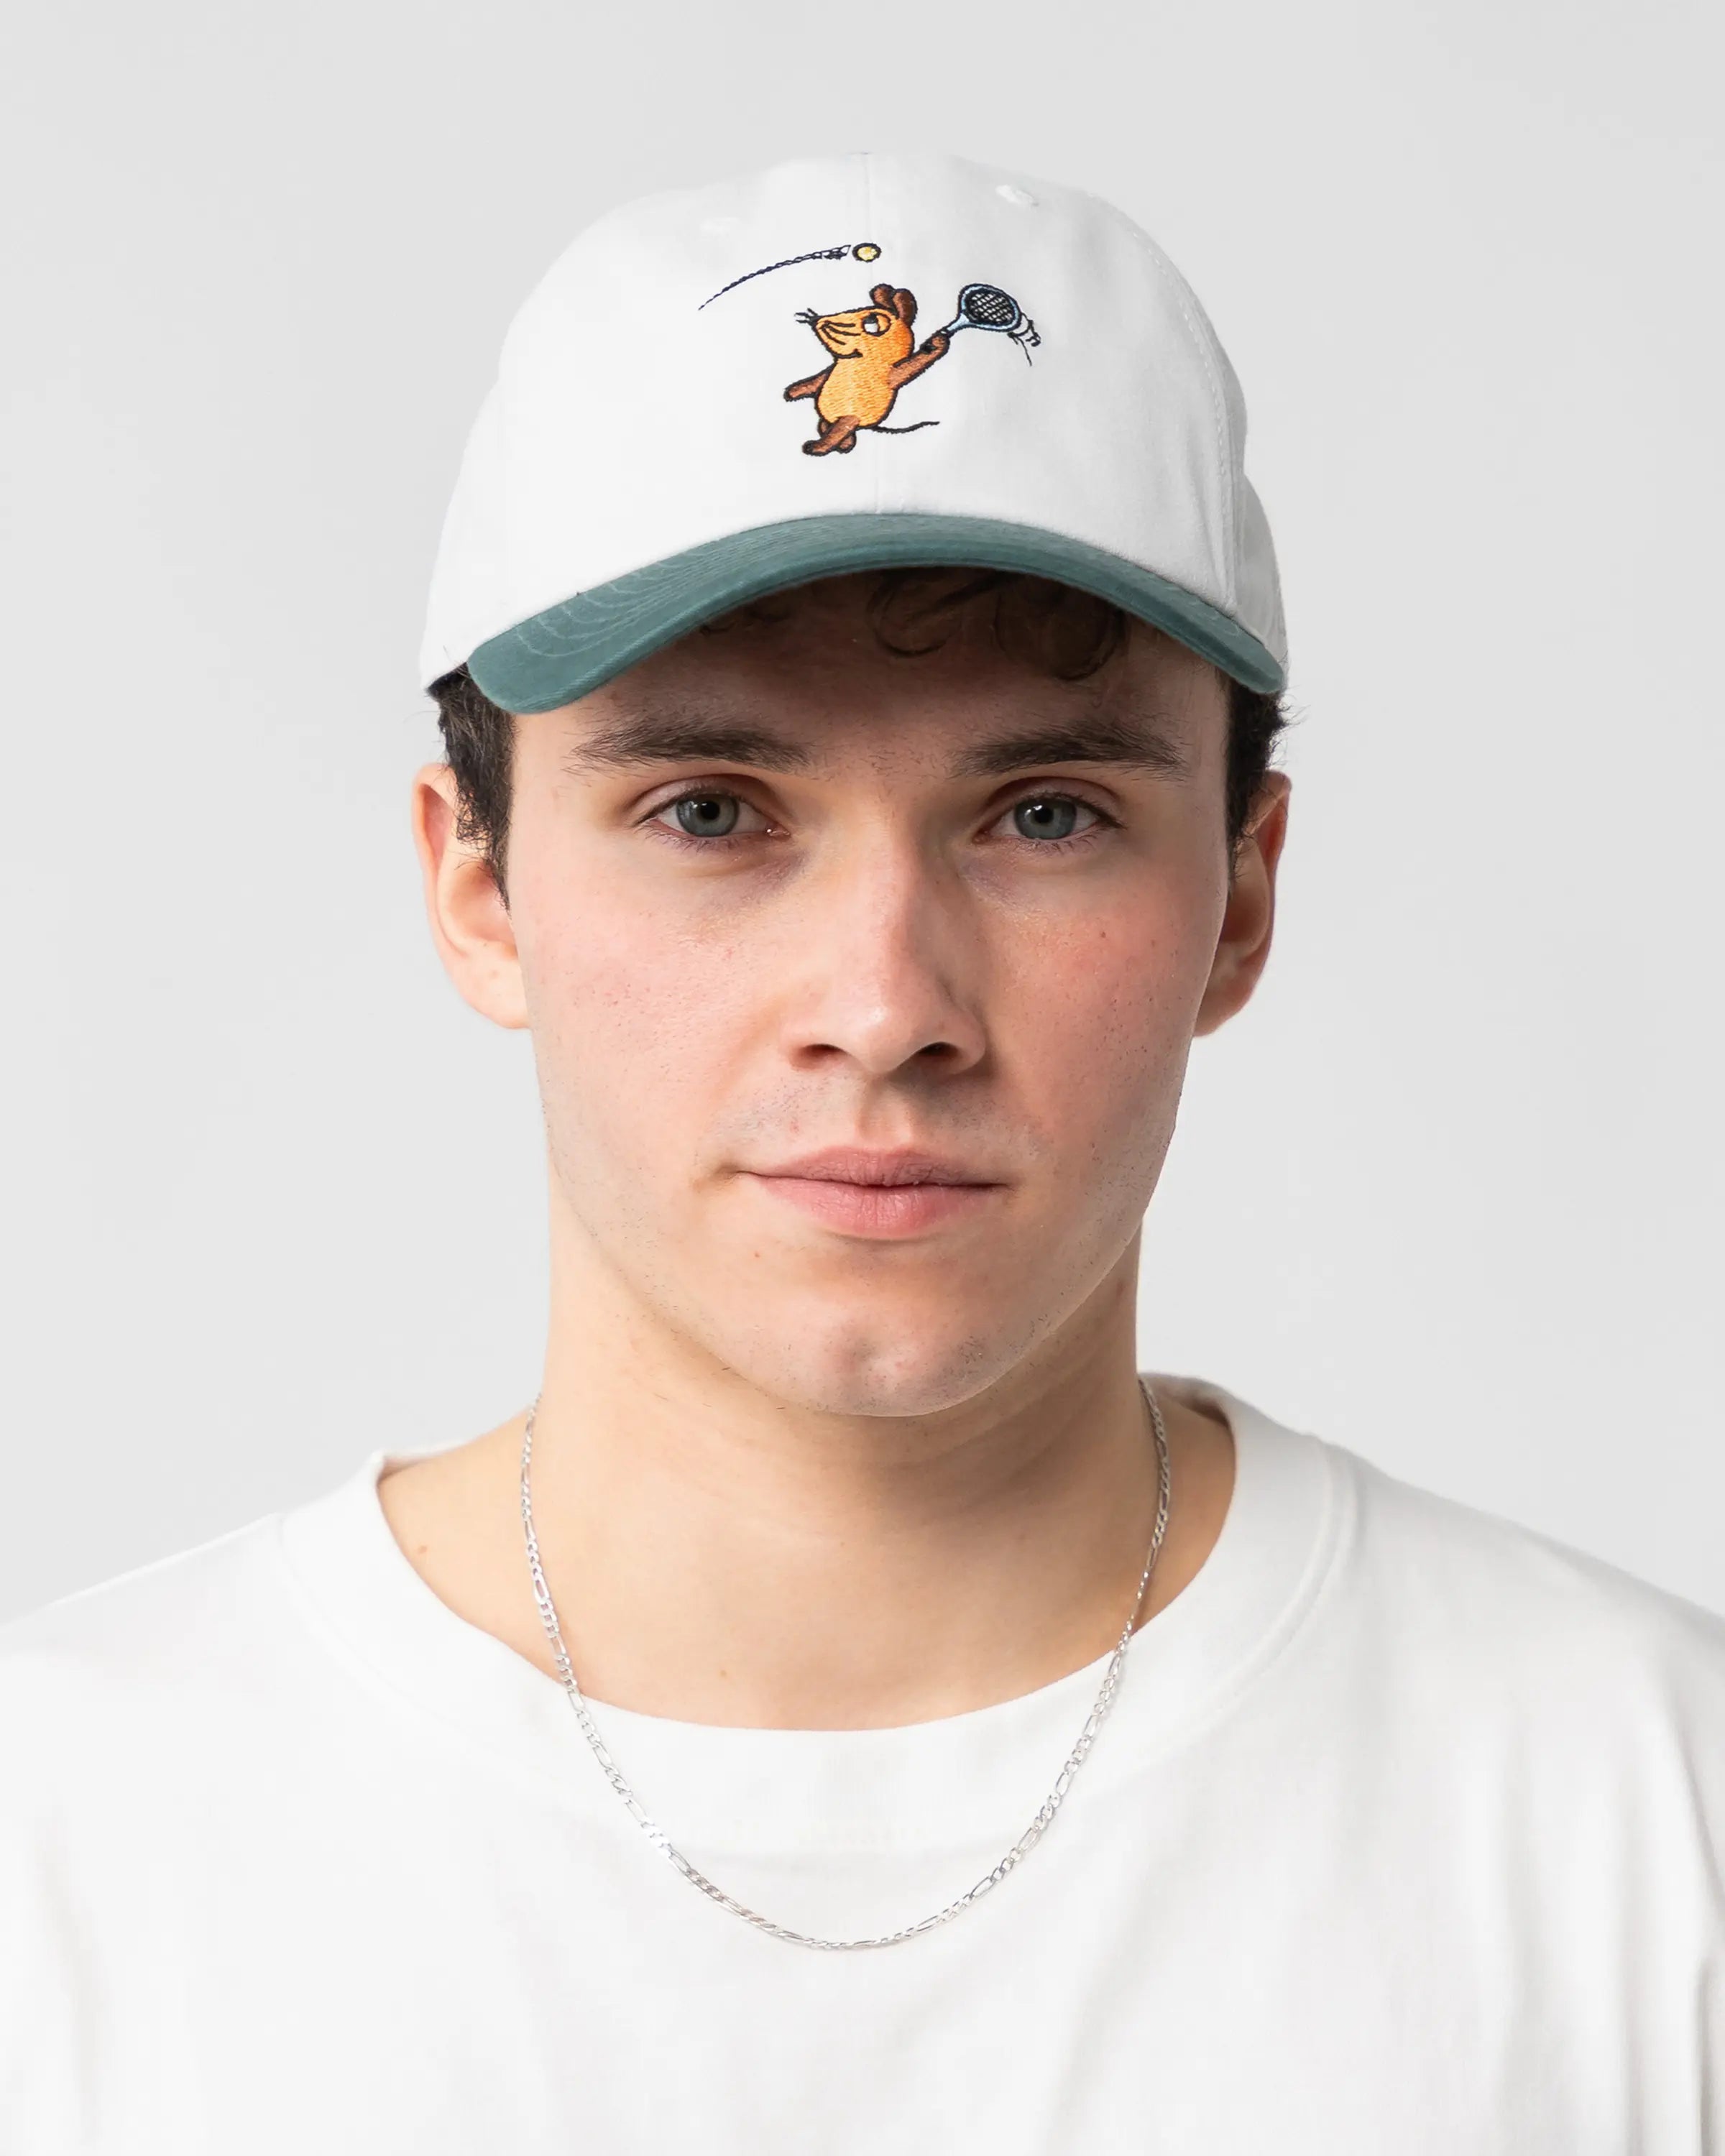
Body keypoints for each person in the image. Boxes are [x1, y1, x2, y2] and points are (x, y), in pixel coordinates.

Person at [1, 151, 1720, 2155]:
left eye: (1047, 813)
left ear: (1241, 900)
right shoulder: (73, 1851)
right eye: (713, 812)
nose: (887, 1002)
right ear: (477, 886)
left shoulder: (1647, 1815)